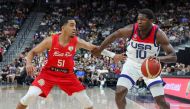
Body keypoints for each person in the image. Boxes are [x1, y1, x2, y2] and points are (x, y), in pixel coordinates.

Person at [16, 17, 125, 109]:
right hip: (48, 74)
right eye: (72, 25)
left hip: (67, 75)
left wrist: (113, 55)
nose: (75, 28)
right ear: (63, 28)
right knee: (30, 95)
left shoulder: (77, 41)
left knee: (87, 102)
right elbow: (32, 52)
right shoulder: (50, 40)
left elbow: (96, 48)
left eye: (75, 26)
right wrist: (28, 63)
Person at [92, 9, 177, 109]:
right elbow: (114, 35)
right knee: (119, 92)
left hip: (149, 66)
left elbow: (173, 57)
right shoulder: (131, 29)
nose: (139, 22)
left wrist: (158, 58)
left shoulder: (158, 34)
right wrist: (100, 48)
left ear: (151, 21)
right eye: (138, 19)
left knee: (161, 101)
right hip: (131, 64)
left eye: (143, 20)